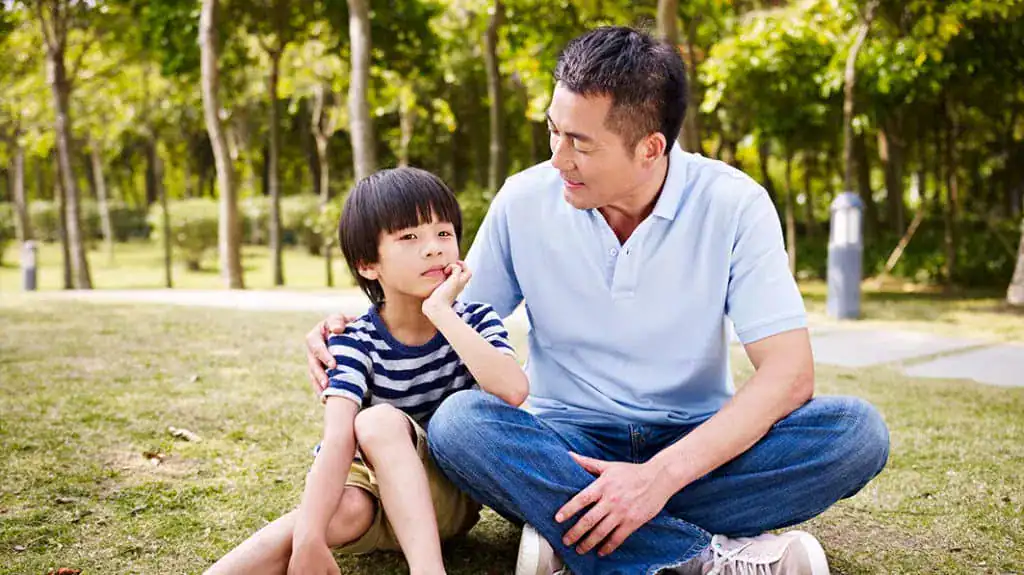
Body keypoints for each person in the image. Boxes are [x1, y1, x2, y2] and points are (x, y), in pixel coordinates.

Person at [306, 27, 889, 575]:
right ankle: (697, 555)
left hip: (694, 441)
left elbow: (788, 375)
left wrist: (656, 478)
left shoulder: (735, 205)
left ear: (650, 148)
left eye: (580, 143)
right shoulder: (525, 199)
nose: (558, 157)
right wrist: (353, 326)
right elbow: (446, 315)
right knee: (463, 425)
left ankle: (574, 536)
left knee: (856, 434)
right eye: (553, 131)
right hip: (563, 442)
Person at [209, 167, 528, 575]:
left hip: (448, 499)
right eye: (409, 238)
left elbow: (513, 390)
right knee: (336, 513)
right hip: (374, 499)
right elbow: (338, 439)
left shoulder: (476, 322)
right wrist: (309, 536)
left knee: (376, 420)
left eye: (443, 233)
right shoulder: (353, 339)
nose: (433, 248)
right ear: (367, 265)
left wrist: (441, 312)